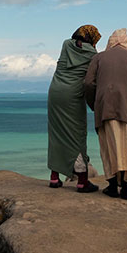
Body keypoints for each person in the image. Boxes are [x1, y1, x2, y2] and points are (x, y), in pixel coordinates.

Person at [84, 28, 127, 200]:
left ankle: (113, 185)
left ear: (110, 42)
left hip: (105, 108)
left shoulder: (98, 58)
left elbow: (87, 83)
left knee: (109, 148)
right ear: (126, 42)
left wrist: (94, 104)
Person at [47, 25, 101, 193]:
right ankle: (82, 181)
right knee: (76, 134)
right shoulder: (93, 55)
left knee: (56, 134)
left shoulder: (65, 44)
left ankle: (54, 178)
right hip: (73, 96)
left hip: (55, 92)